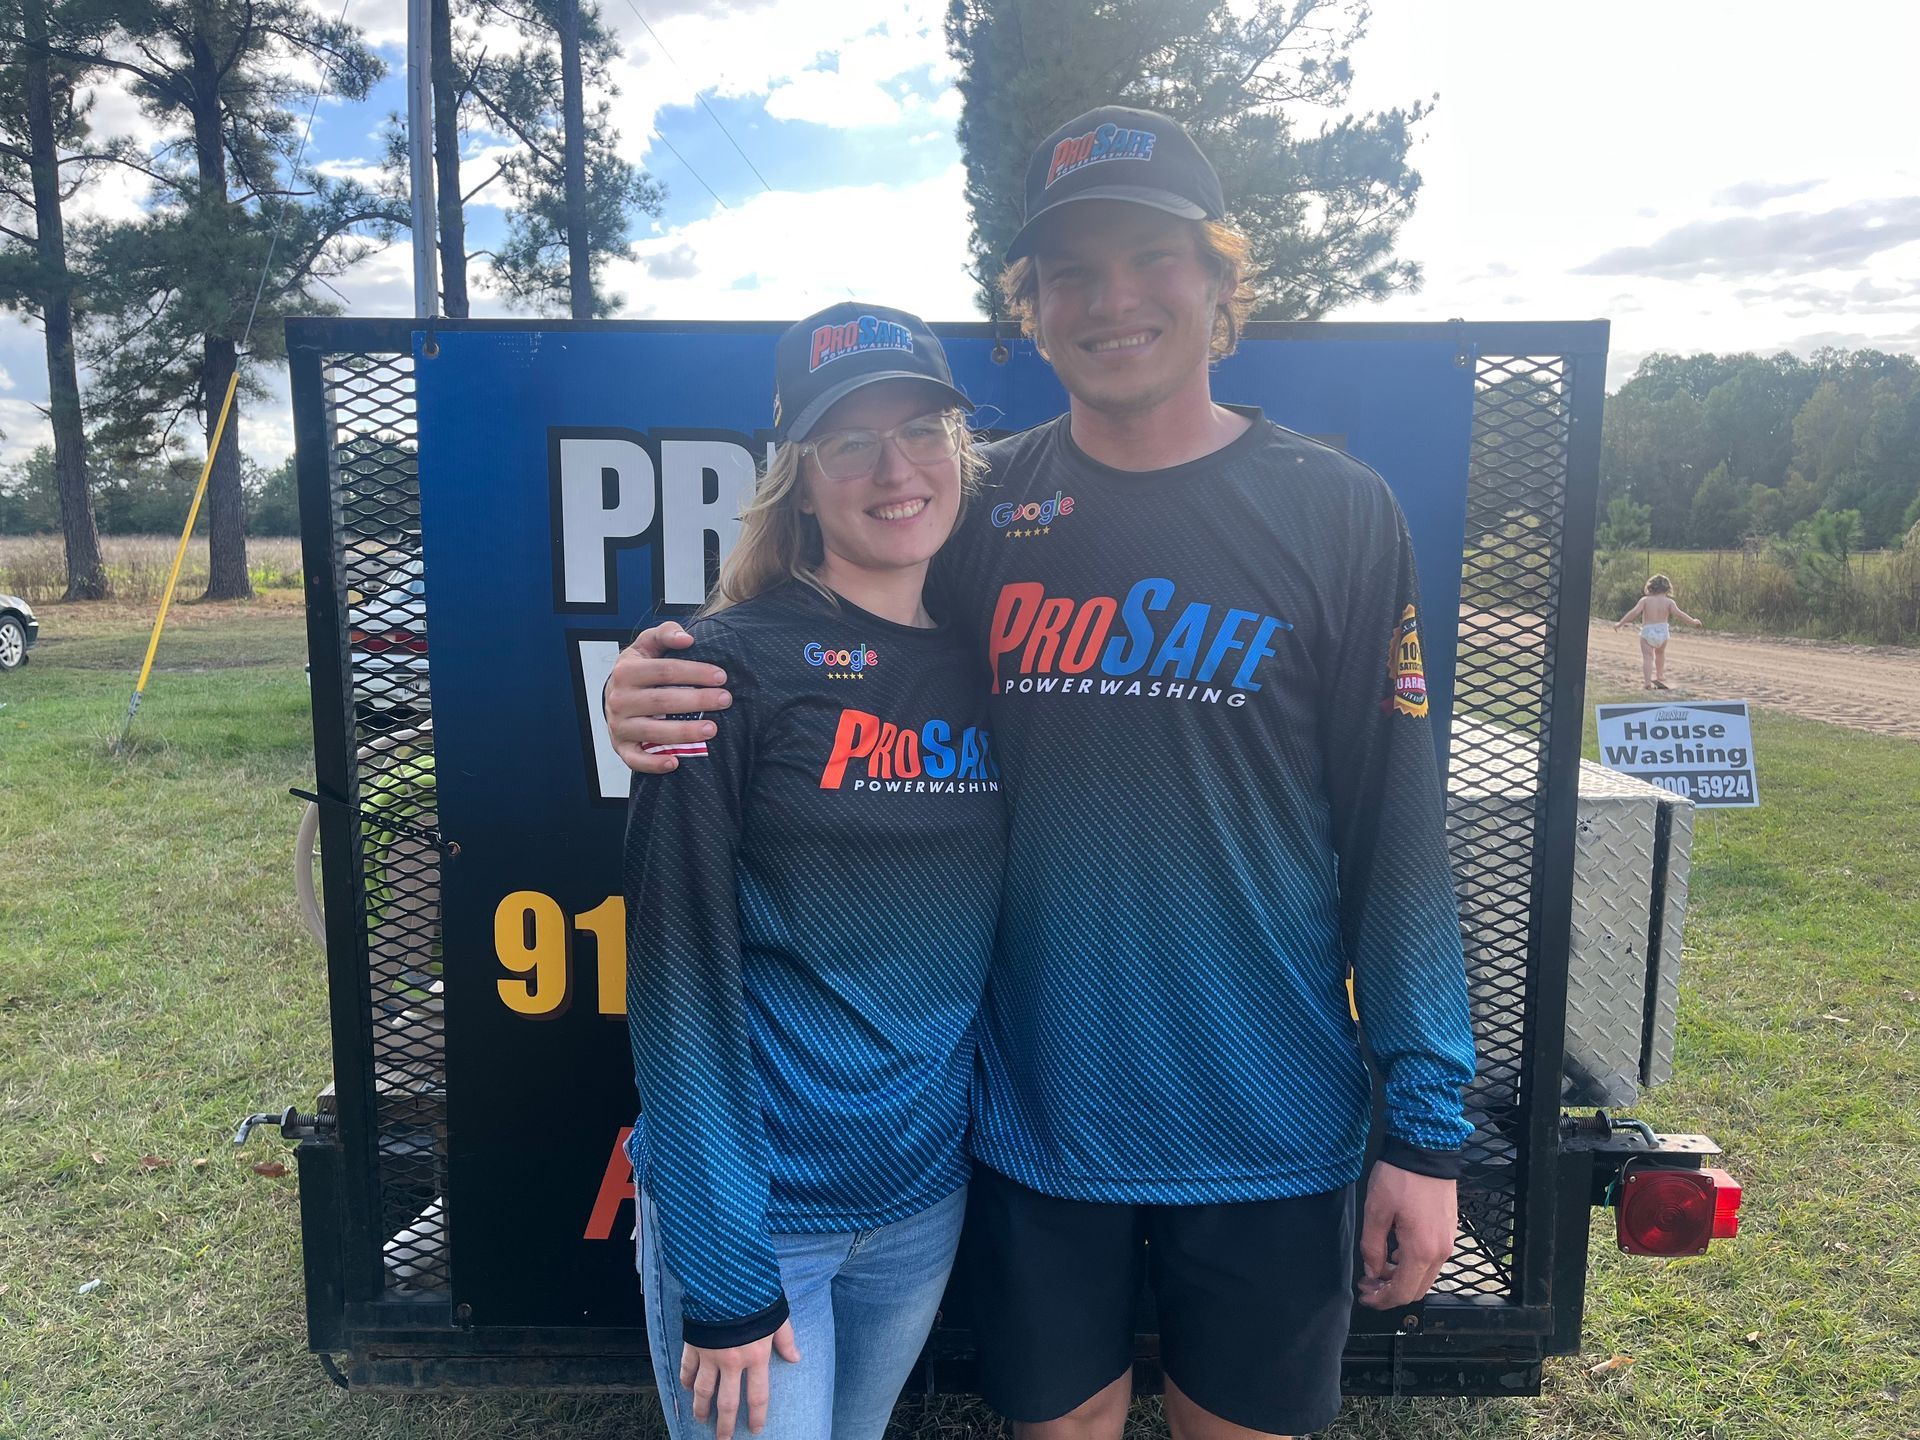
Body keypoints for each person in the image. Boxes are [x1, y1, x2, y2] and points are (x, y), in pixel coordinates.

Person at [610, 107, 1475, 1440]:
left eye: (1151, 257)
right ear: (1028, 307)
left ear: (1220, 280)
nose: (1112, 297)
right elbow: (814, 625)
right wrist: (659, 681)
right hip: (1031, 1127)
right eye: (1069, 269)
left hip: (1273, 1115)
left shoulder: (1336, 509)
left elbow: (1399, 833)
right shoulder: (976, 509)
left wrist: (1423, 1129)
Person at [623, 302, 1005, 1440]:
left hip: (921, 1208)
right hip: (762, 1218)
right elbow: (675, 980)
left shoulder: (997, 655)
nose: (896, 469)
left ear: (960, 451)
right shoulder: (724, 666)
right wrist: (727, 1270)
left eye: (923, 431)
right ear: (799, 475)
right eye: (850, 441)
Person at [1614, 573, 1702, 689]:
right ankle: (1660, 675)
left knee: (1648, 657)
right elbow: (1680, 615)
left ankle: (1647, 683)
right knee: (1660, 654)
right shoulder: (1669, 602)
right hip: (1663, 631)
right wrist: (1693, 621)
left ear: (1650, 587)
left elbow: (1634, 613)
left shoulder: (1645, 600)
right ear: (1667, 588)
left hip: (1648, 631)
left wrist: (1621, 623)